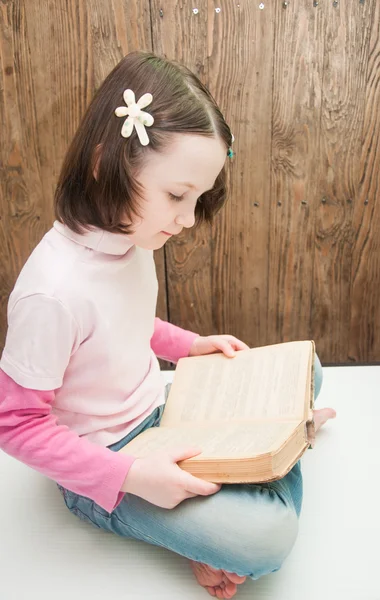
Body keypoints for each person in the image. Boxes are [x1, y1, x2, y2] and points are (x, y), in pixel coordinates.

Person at [0, 51, 336, 599]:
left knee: (307, 369)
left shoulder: (126, 241)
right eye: (178, 196)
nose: (186, 219)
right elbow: (15, 425)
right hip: (110, 464)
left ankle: (282, 445)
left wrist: (189, 345)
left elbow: (125, 322)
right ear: (105, 162)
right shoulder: (51, 292)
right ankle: (289, 448)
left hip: (164, 414)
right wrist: (133, 479)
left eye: (197, 199)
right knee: (269, 539)